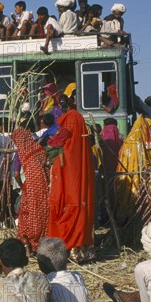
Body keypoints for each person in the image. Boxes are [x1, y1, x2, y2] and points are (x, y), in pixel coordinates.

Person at [48, 91, 95, 263]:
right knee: (80, 202)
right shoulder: (79, 118)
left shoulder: (71, 118)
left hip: (69, 166)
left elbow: (61, 138)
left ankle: (72, 247)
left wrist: (49, 143)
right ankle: (82, 248)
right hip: (78, 164)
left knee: (69, 202)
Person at [12, 115, 49, 253]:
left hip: (30, 189)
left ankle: (28, 245)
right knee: (41, 214)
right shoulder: (39, 150)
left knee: (26, 215)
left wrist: (22, 186)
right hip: (44, 188)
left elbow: (16, 174)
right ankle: (40, 242)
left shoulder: (22, 153)